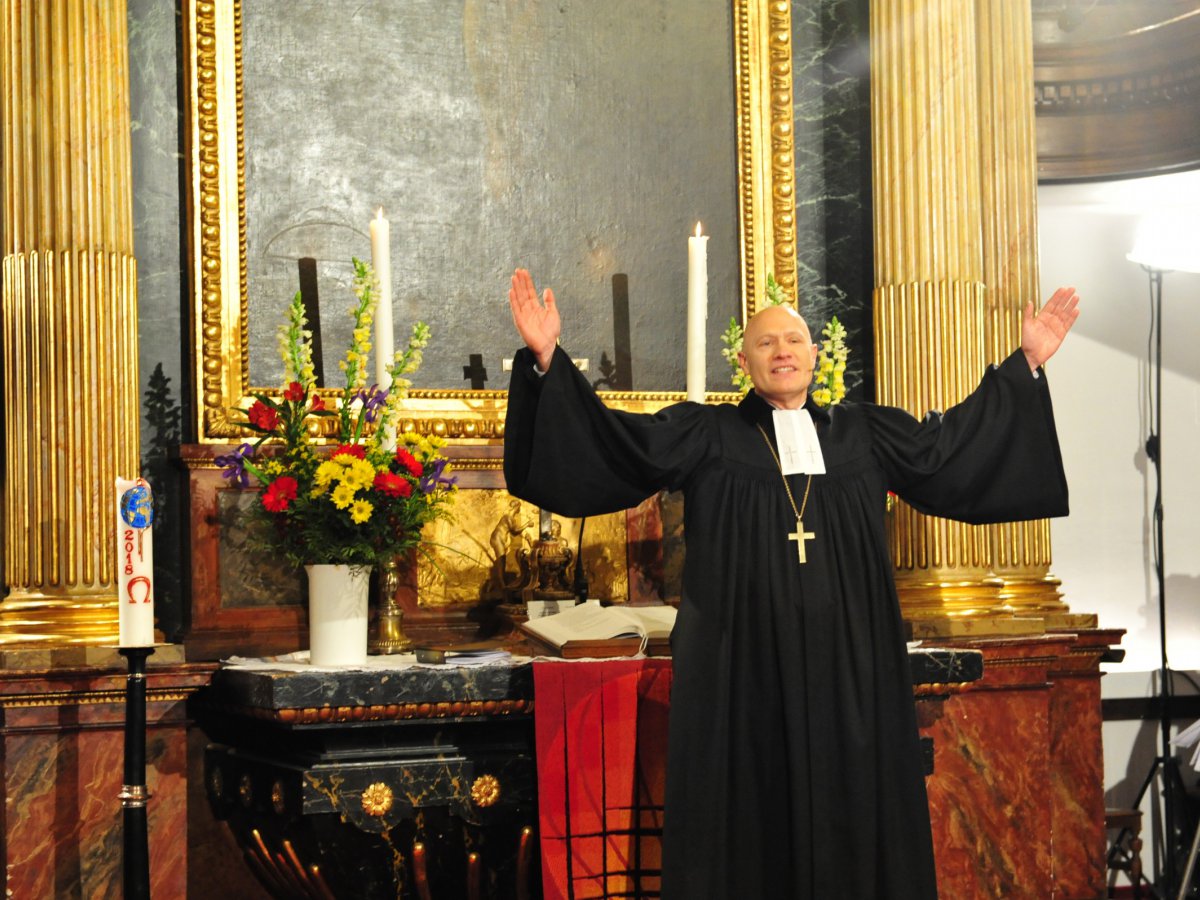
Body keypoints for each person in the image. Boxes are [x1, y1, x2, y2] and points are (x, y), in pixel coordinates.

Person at [503, 267, 1079, 899]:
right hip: (741, 675)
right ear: (744, 362)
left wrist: (1025, 364)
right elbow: (619, 445)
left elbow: (950, 449)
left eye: (794, 340)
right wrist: (547, 361)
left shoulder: (864, 432)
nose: (782, 351)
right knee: (751, 819)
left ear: (815, 355)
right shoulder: (708, 435)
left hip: (851, 673)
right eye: (766, 342)